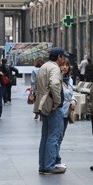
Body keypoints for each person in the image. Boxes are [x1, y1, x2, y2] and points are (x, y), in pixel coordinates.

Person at [36, 47, 69, 175]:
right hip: (52, 106)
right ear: (59, 57)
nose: (65, 59)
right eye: (63, 56)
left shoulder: (44, 66)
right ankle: (49, 166)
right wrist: (57, 102)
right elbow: (55, 84)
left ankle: (43, 165)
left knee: (45, 136)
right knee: (54, 136)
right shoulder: (55, 68)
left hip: (44, 105)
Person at [55, 59, 77, 169]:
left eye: (67, 65)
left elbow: (71, 94)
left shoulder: (70, 80)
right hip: (58, 112)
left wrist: (74, 100)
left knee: (61, 137)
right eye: (63, 65)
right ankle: (55, 159)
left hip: (66, 113)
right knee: (57, 137)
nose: (65, 67)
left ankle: (56, 158)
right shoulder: (57, 80)